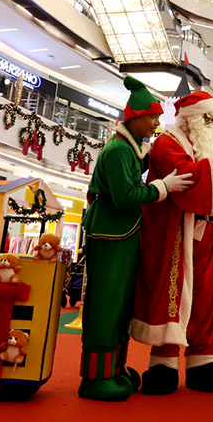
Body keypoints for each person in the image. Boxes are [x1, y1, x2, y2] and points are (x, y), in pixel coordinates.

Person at [77, 76, 193, 401]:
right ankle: (96, 376)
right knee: (106, 304)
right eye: (154, 117)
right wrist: (164, 186)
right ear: (136, 117)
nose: (158, 123)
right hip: (111, 233)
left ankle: (114, 367)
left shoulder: (129, 150)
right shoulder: (117, 151)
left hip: (123, 233)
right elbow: (126, 197)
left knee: (120, 306)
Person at [132, 90, 213, 395]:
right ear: (190, 119)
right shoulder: (167, 143)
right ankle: (164, 362)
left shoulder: (210, 142)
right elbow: (187, 177)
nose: (212, 123)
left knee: (208, 296)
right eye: (207, 118)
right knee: (174, 294)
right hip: (177, 234)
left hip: (211, 232)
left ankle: (203, 360)